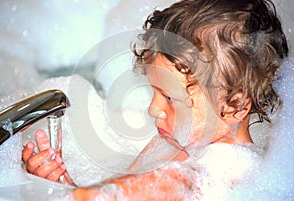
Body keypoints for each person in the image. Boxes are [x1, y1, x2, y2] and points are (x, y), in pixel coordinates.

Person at [22, 0, 288, 200]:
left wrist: (82, 197)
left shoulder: (234, 165)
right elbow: (122, 192)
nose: (153, 109)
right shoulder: (169, 141)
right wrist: (64, 186)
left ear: (235, 105)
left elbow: (177, 182)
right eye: (154, 92)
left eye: (170, 98)